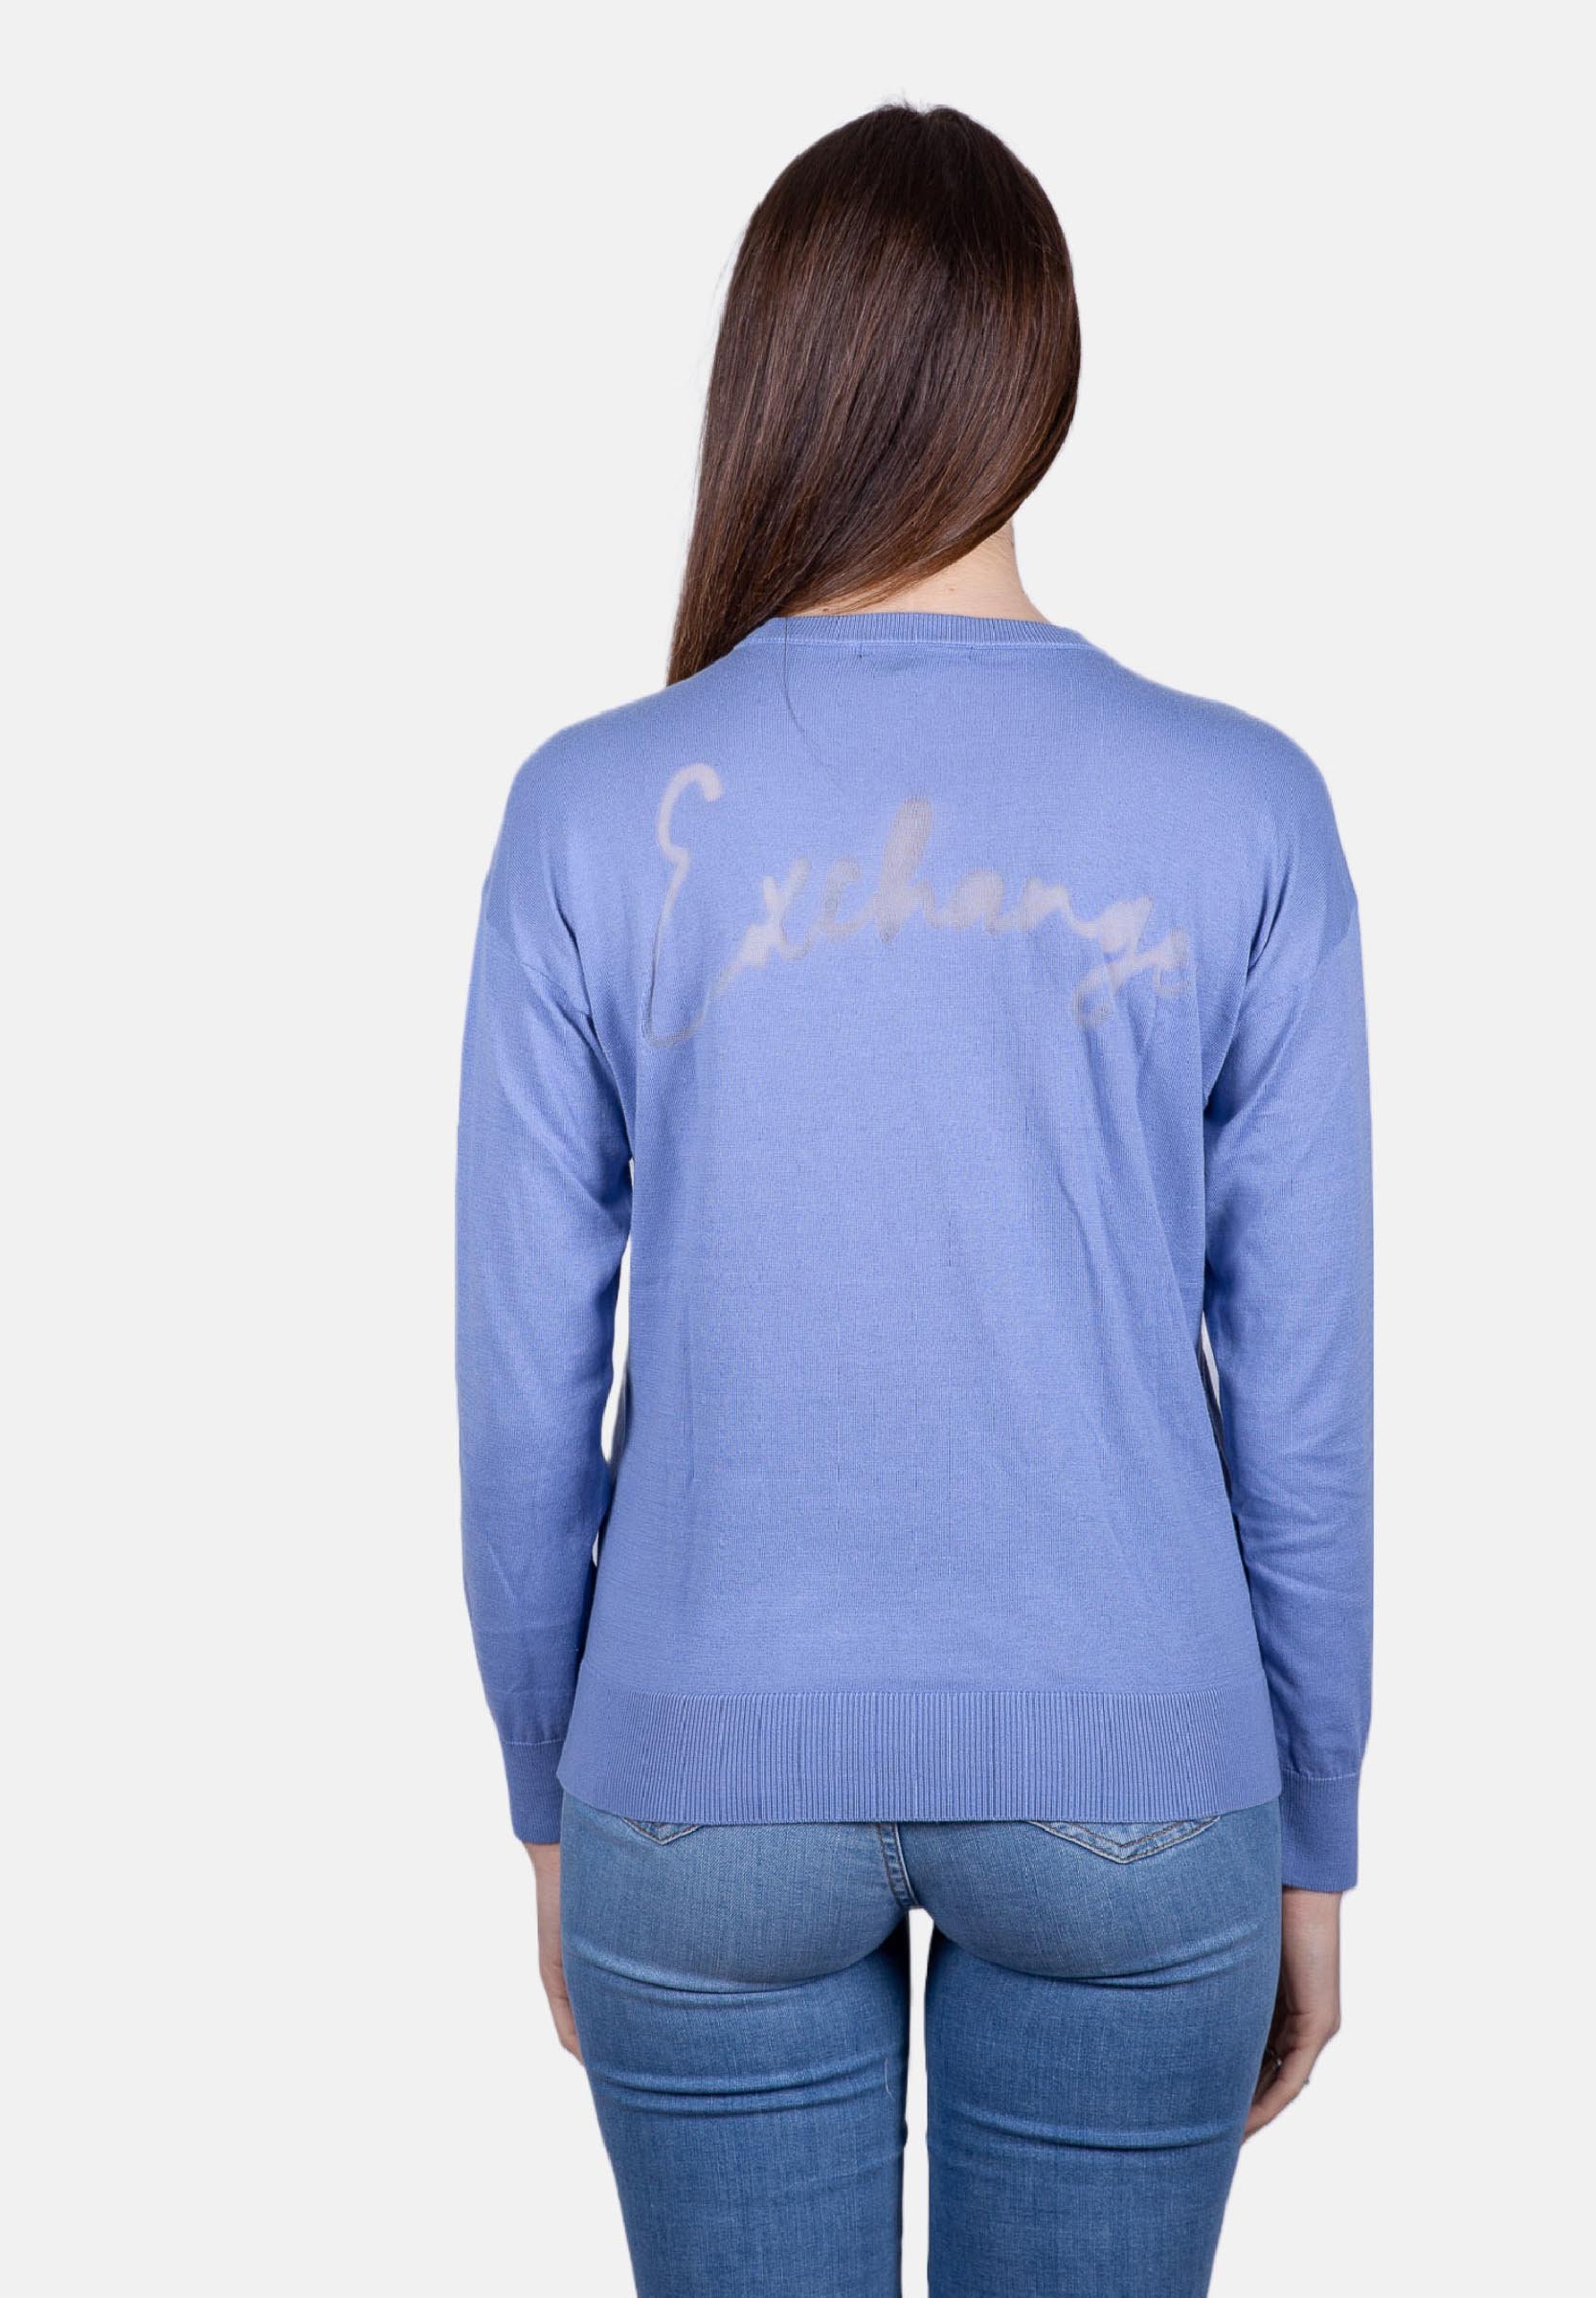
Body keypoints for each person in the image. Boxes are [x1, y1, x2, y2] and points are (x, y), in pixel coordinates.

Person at [456, 101, 1372, 2298]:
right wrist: (1317, 1832)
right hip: (1144, 1776)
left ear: (772, 370)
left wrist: (552, 1799)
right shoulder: (1244, 807)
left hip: (694, 1778)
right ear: (1043, 375)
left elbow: (519, 1393)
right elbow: (1308, 1400)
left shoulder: (589, 812)